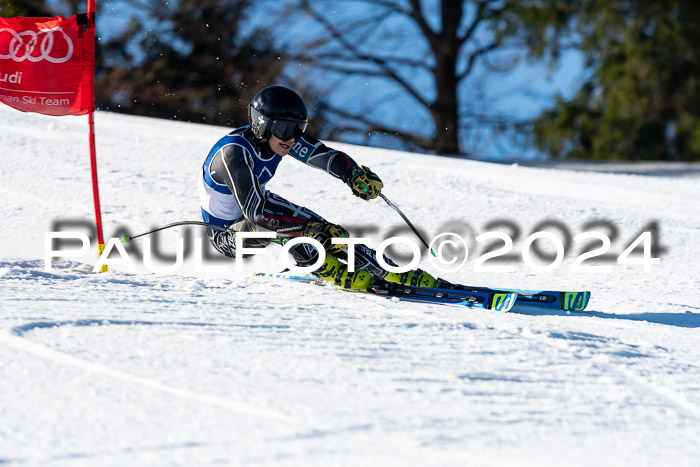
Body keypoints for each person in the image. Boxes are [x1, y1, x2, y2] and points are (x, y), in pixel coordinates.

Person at [199, 85, 438, 290]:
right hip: (227, 235)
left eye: (298, 129)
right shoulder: (233, 153)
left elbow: (325, 156)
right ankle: (331, 270)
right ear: (263, 125)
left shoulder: (279, 139)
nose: (292, 139)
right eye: (285, 130)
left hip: (259, 207)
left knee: (332, 233)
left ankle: (388, 271)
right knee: (295, 229)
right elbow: (258, 215)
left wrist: (352, 174)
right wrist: (309, 229)